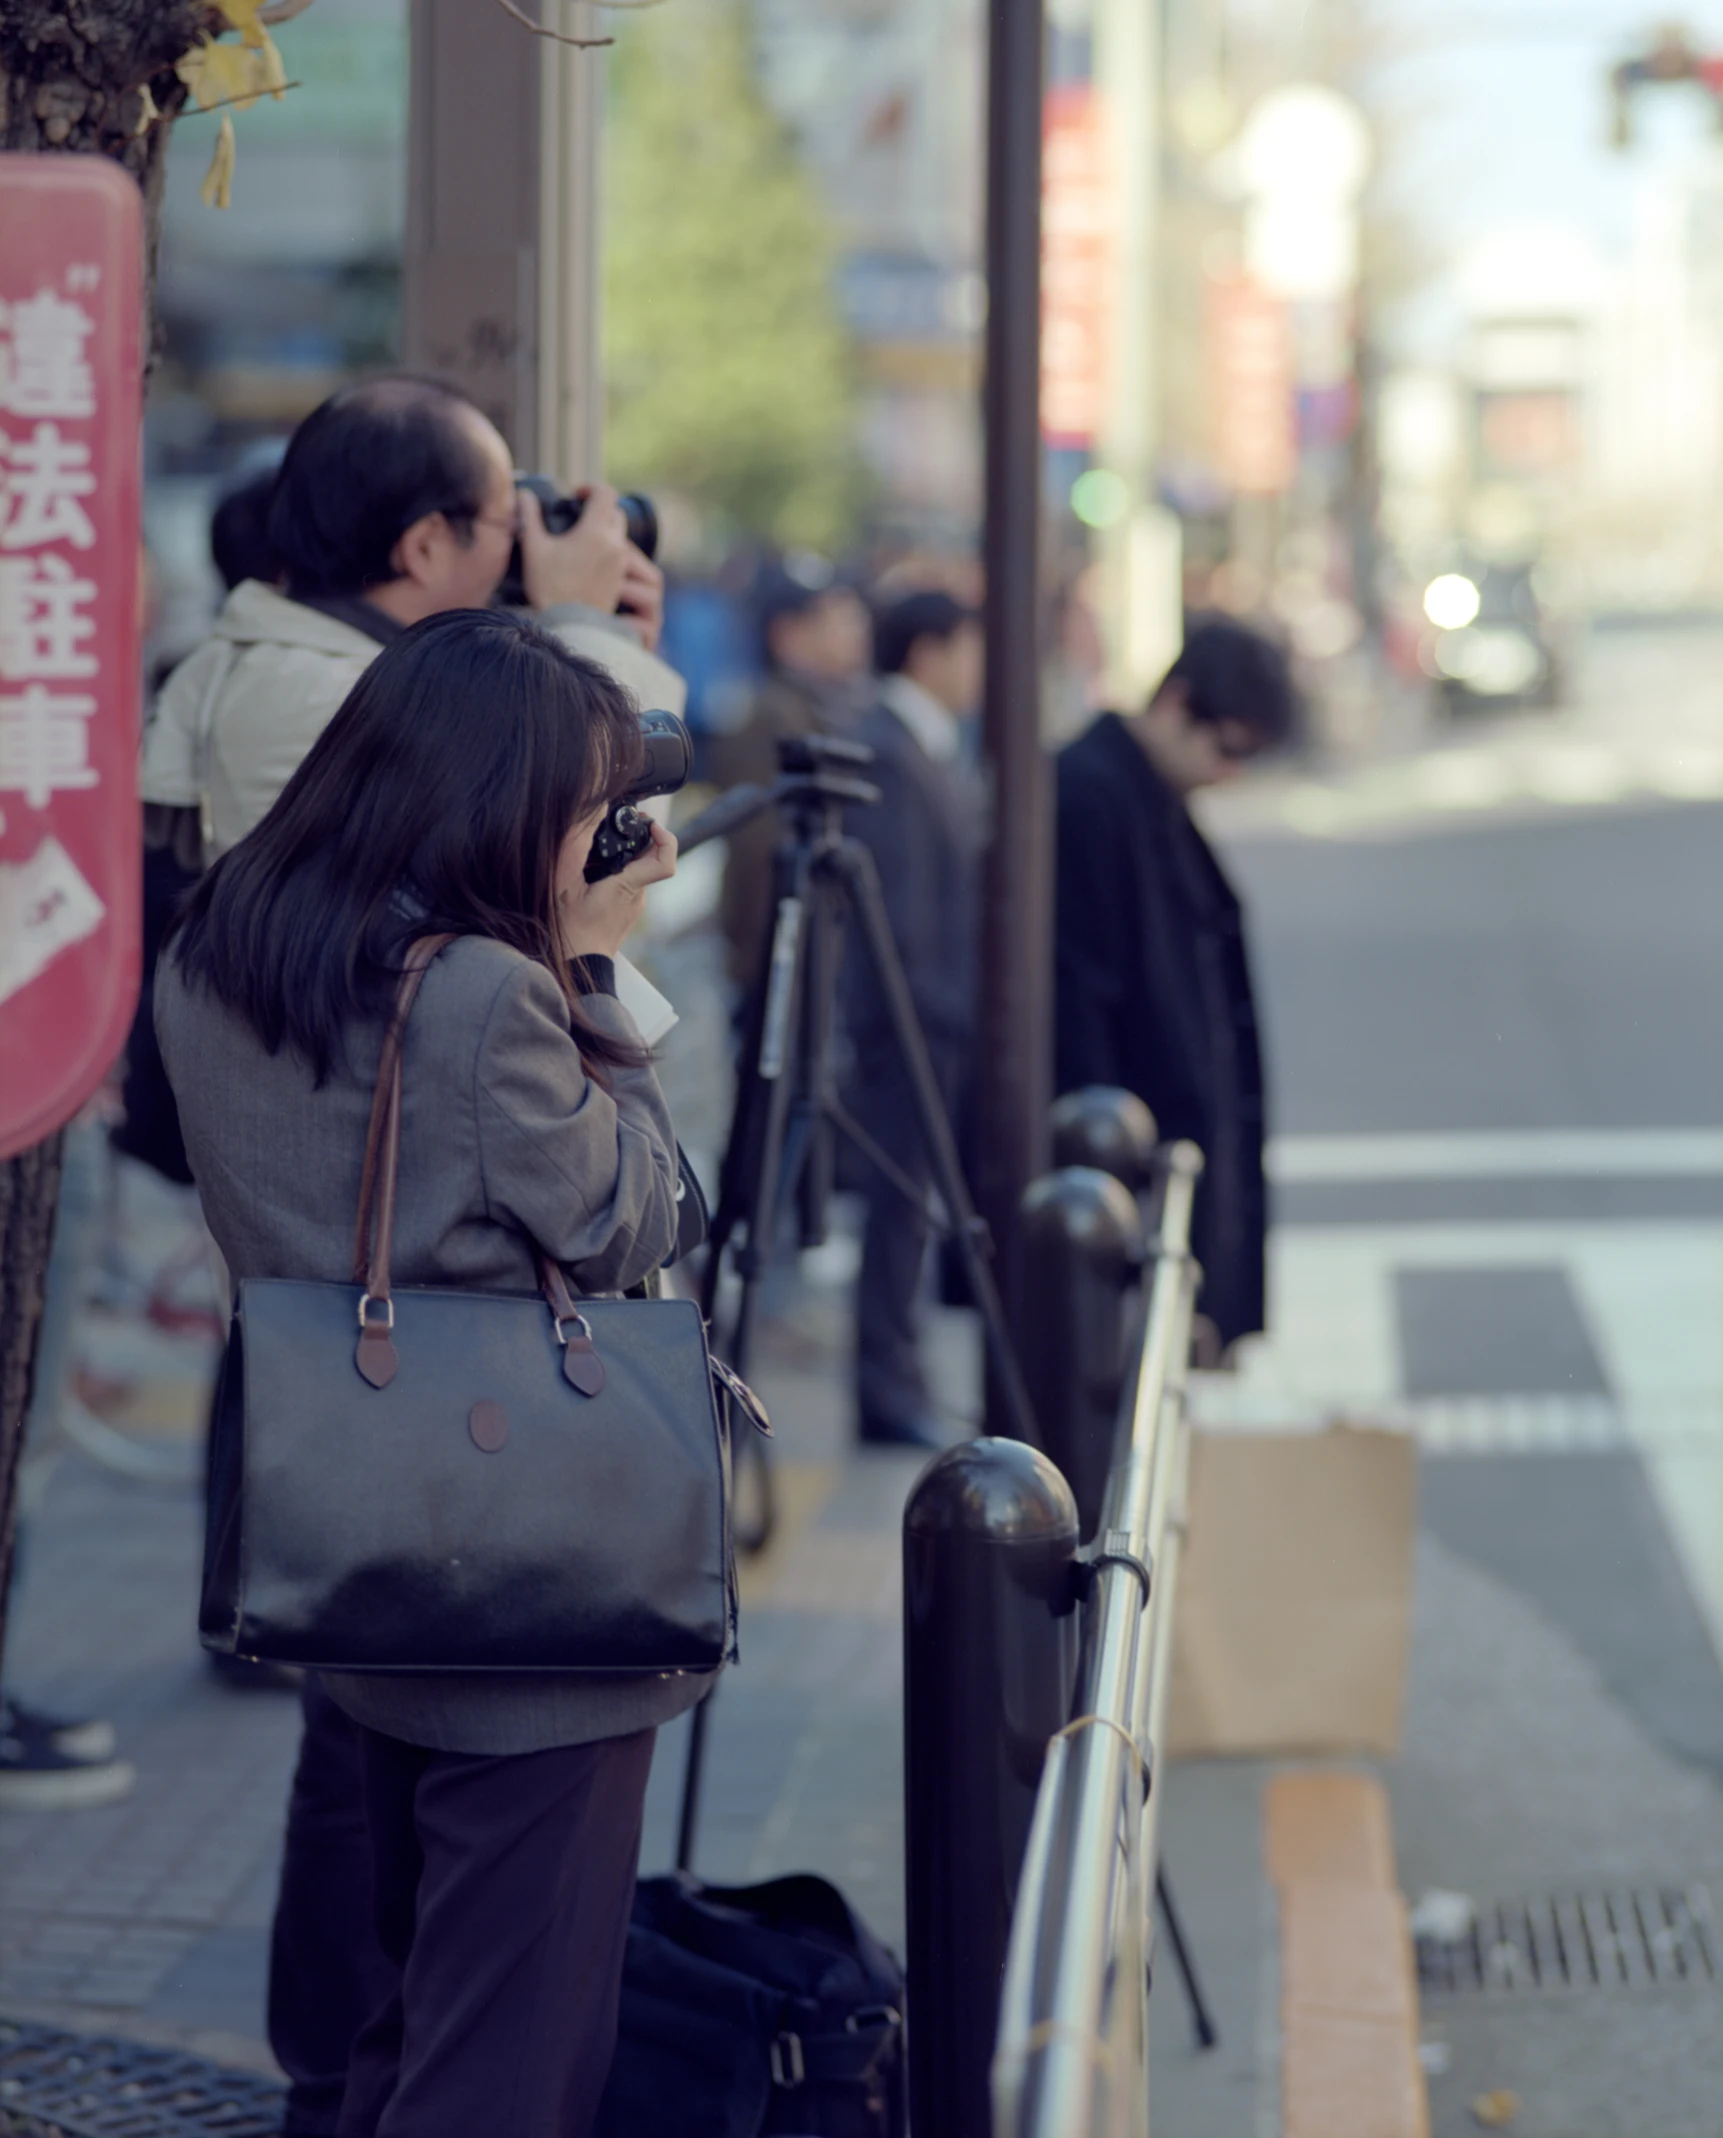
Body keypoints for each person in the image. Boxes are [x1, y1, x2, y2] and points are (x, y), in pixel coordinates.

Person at [137, 375, 686, 2138]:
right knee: (501, 2053)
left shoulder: (218, 956)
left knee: (381, 2030)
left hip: (357, 1544)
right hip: (531, 1593)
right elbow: (637, 1211)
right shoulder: (484, 997)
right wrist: (590, 965)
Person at [1053, 614, 1296, 1357]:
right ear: (1174, 703)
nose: (1231, 772)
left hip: (1141, 1169)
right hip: (1118, 1175)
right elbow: (1078, 1004)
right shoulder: (1091, 795)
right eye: (1226, 748)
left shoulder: (1136, 790)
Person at [839, 589, 985, 1447]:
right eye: (969, 649)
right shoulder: (893, 751)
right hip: (910, 1027)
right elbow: (898, 919)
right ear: (929, 652)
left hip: (922, 1020)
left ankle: (900, 1383)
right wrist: (935, 1014)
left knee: (907, 1213)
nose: (978, 671)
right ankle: (887, 1390)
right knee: (898, 1212)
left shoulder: (914, 744)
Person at [712, 557, 871, 997]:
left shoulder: (823, 705)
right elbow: (759, 853)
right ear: (788, 634)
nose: (857, 628)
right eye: (838, 617)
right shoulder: (772, 718)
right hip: (781, 962)